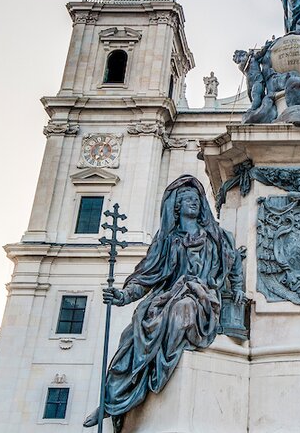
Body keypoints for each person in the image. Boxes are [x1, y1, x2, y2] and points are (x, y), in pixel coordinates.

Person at [84, 176, 245, 431]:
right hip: (168, 296)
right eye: (188, 200)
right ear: (177, 207)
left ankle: (158, 372)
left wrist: (236, 288)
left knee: (182, 312)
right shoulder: (168, 241)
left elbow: (234, 261)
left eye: (197, 200)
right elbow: (148, 276)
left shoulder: (217, 236)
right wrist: (124, 296)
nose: (194, 204)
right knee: (134, 332)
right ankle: (113, 401)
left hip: (202, 299)